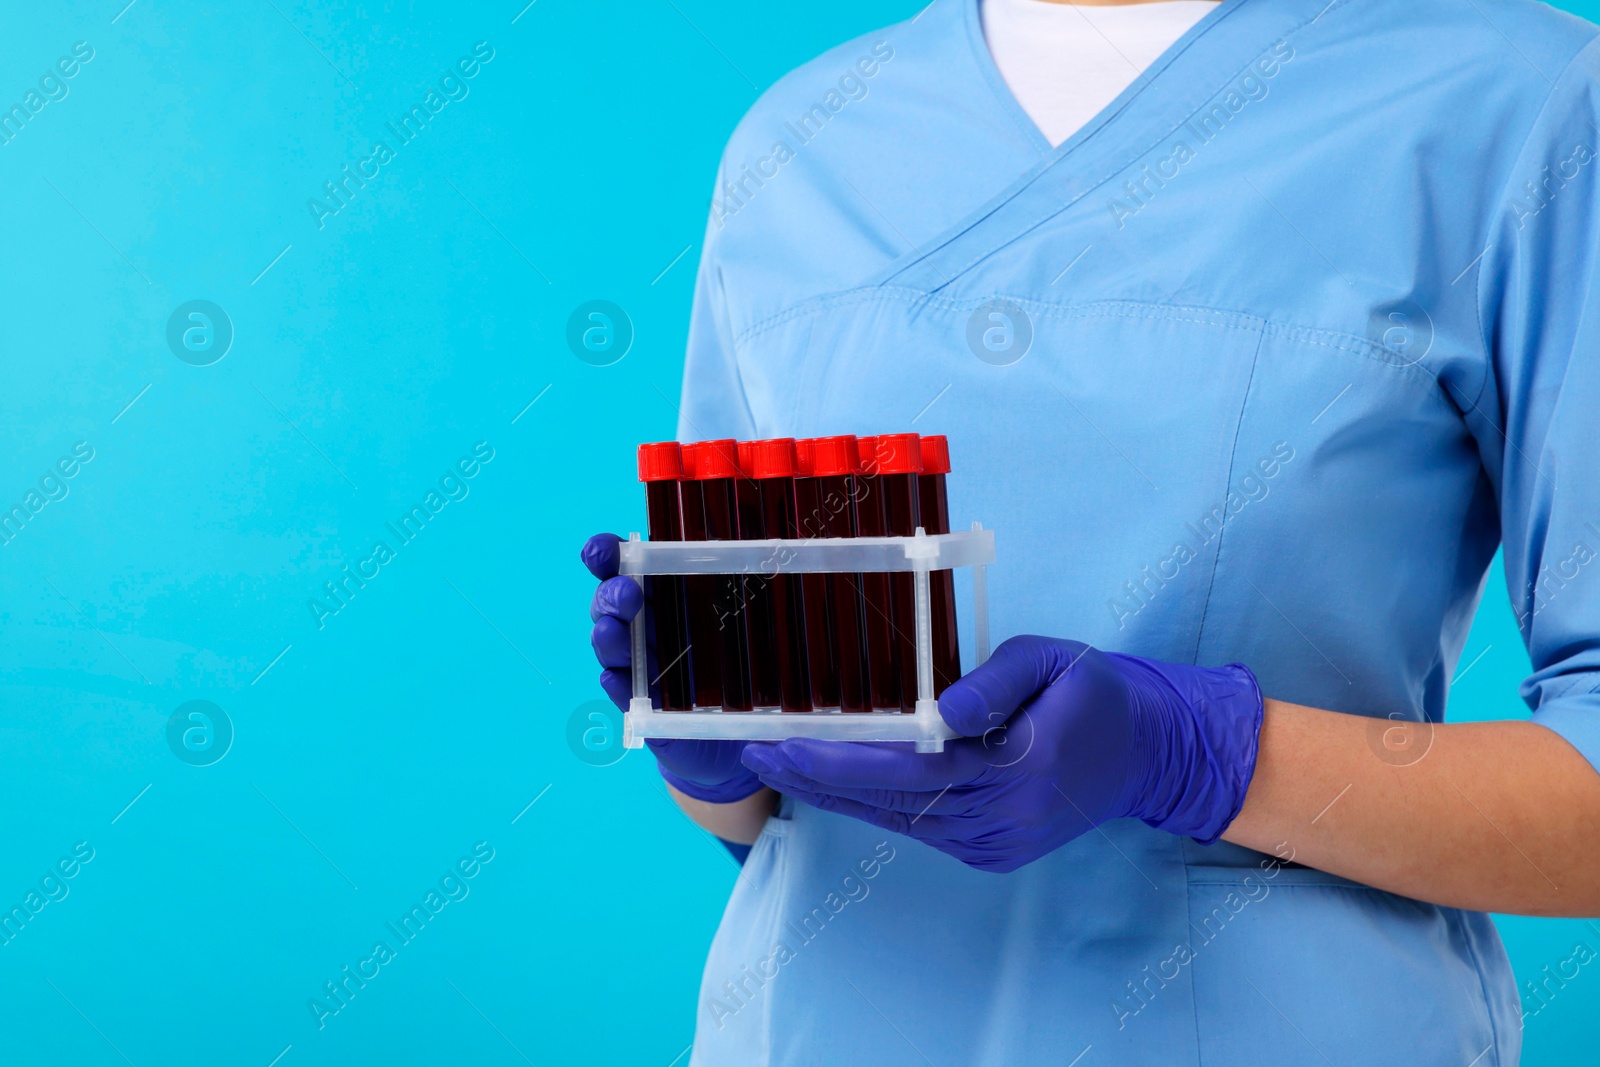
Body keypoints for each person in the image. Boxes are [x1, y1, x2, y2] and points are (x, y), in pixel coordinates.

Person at [585, 0, 1600, 1061]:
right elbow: (775, 824)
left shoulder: (1519, 100)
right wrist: (717, 755)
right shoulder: (796, 142)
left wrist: (1197, 751)